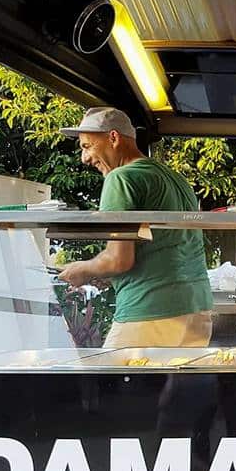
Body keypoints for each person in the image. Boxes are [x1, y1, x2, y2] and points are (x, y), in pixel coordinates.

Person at [58, 107, 214, 347]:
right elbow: (167, 248)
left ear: (113, 137)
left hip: (150, 311)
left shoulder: (120, 178)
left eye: (87, 146)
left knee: (110, 384)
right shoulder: (174, 179)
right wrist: (110, 277)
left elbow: (118, 259)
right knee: (176, 384)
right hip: (196, 310)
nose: (85, 158)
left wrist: (83, 269)